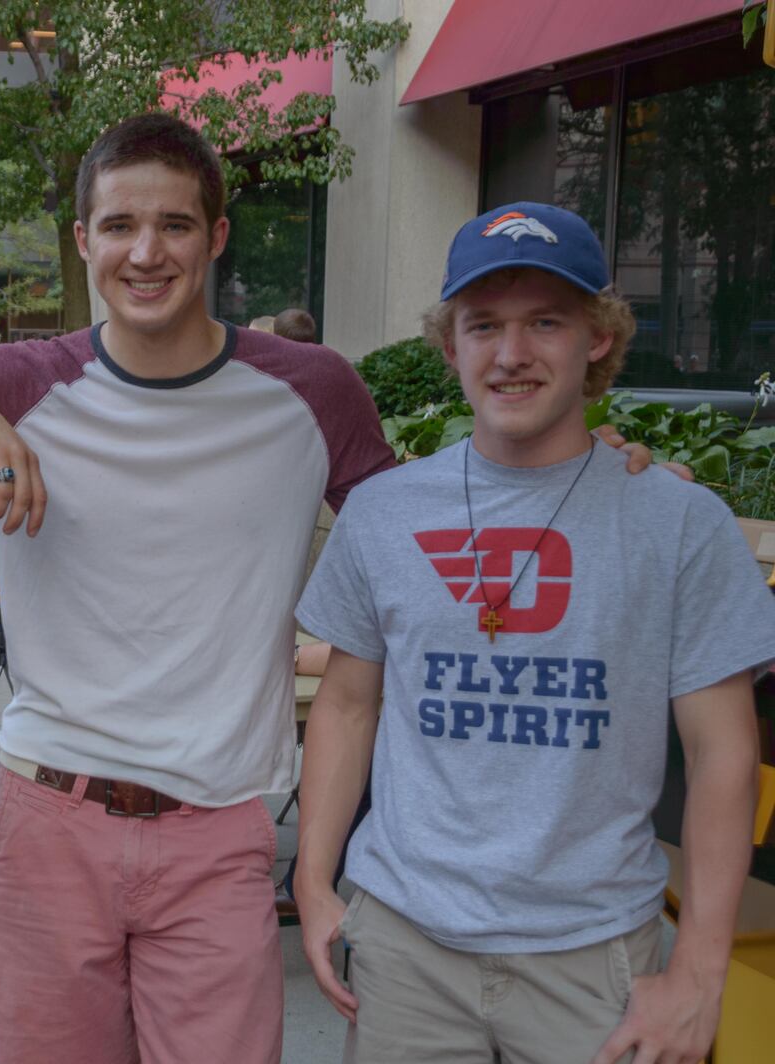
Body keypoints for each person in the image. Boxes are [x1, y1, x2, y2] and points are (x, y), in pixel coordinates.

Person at [0, 115, 671, 1064]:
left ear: (217, 236)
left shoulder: (313, 390)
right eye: (118, 226)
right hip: (48, 822)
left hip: (220, 834)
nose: (146, 252)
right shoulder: (23, 380)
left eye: (176, 226)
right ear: (84, 241)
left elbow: (432, 522)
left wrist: (581, 468)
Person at [292, 202, 775, 1064]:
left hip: (593, 959)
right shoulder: (383, 513)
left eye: (544, 322)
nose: (511, 354)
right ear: (451, 346)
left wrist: (700, 971)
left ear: (597, 336)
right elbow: (348, 706)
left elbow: (723, 755)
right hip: (407, 951)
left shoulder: (678, 522)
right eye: (484, 326)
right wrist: (314, 880)